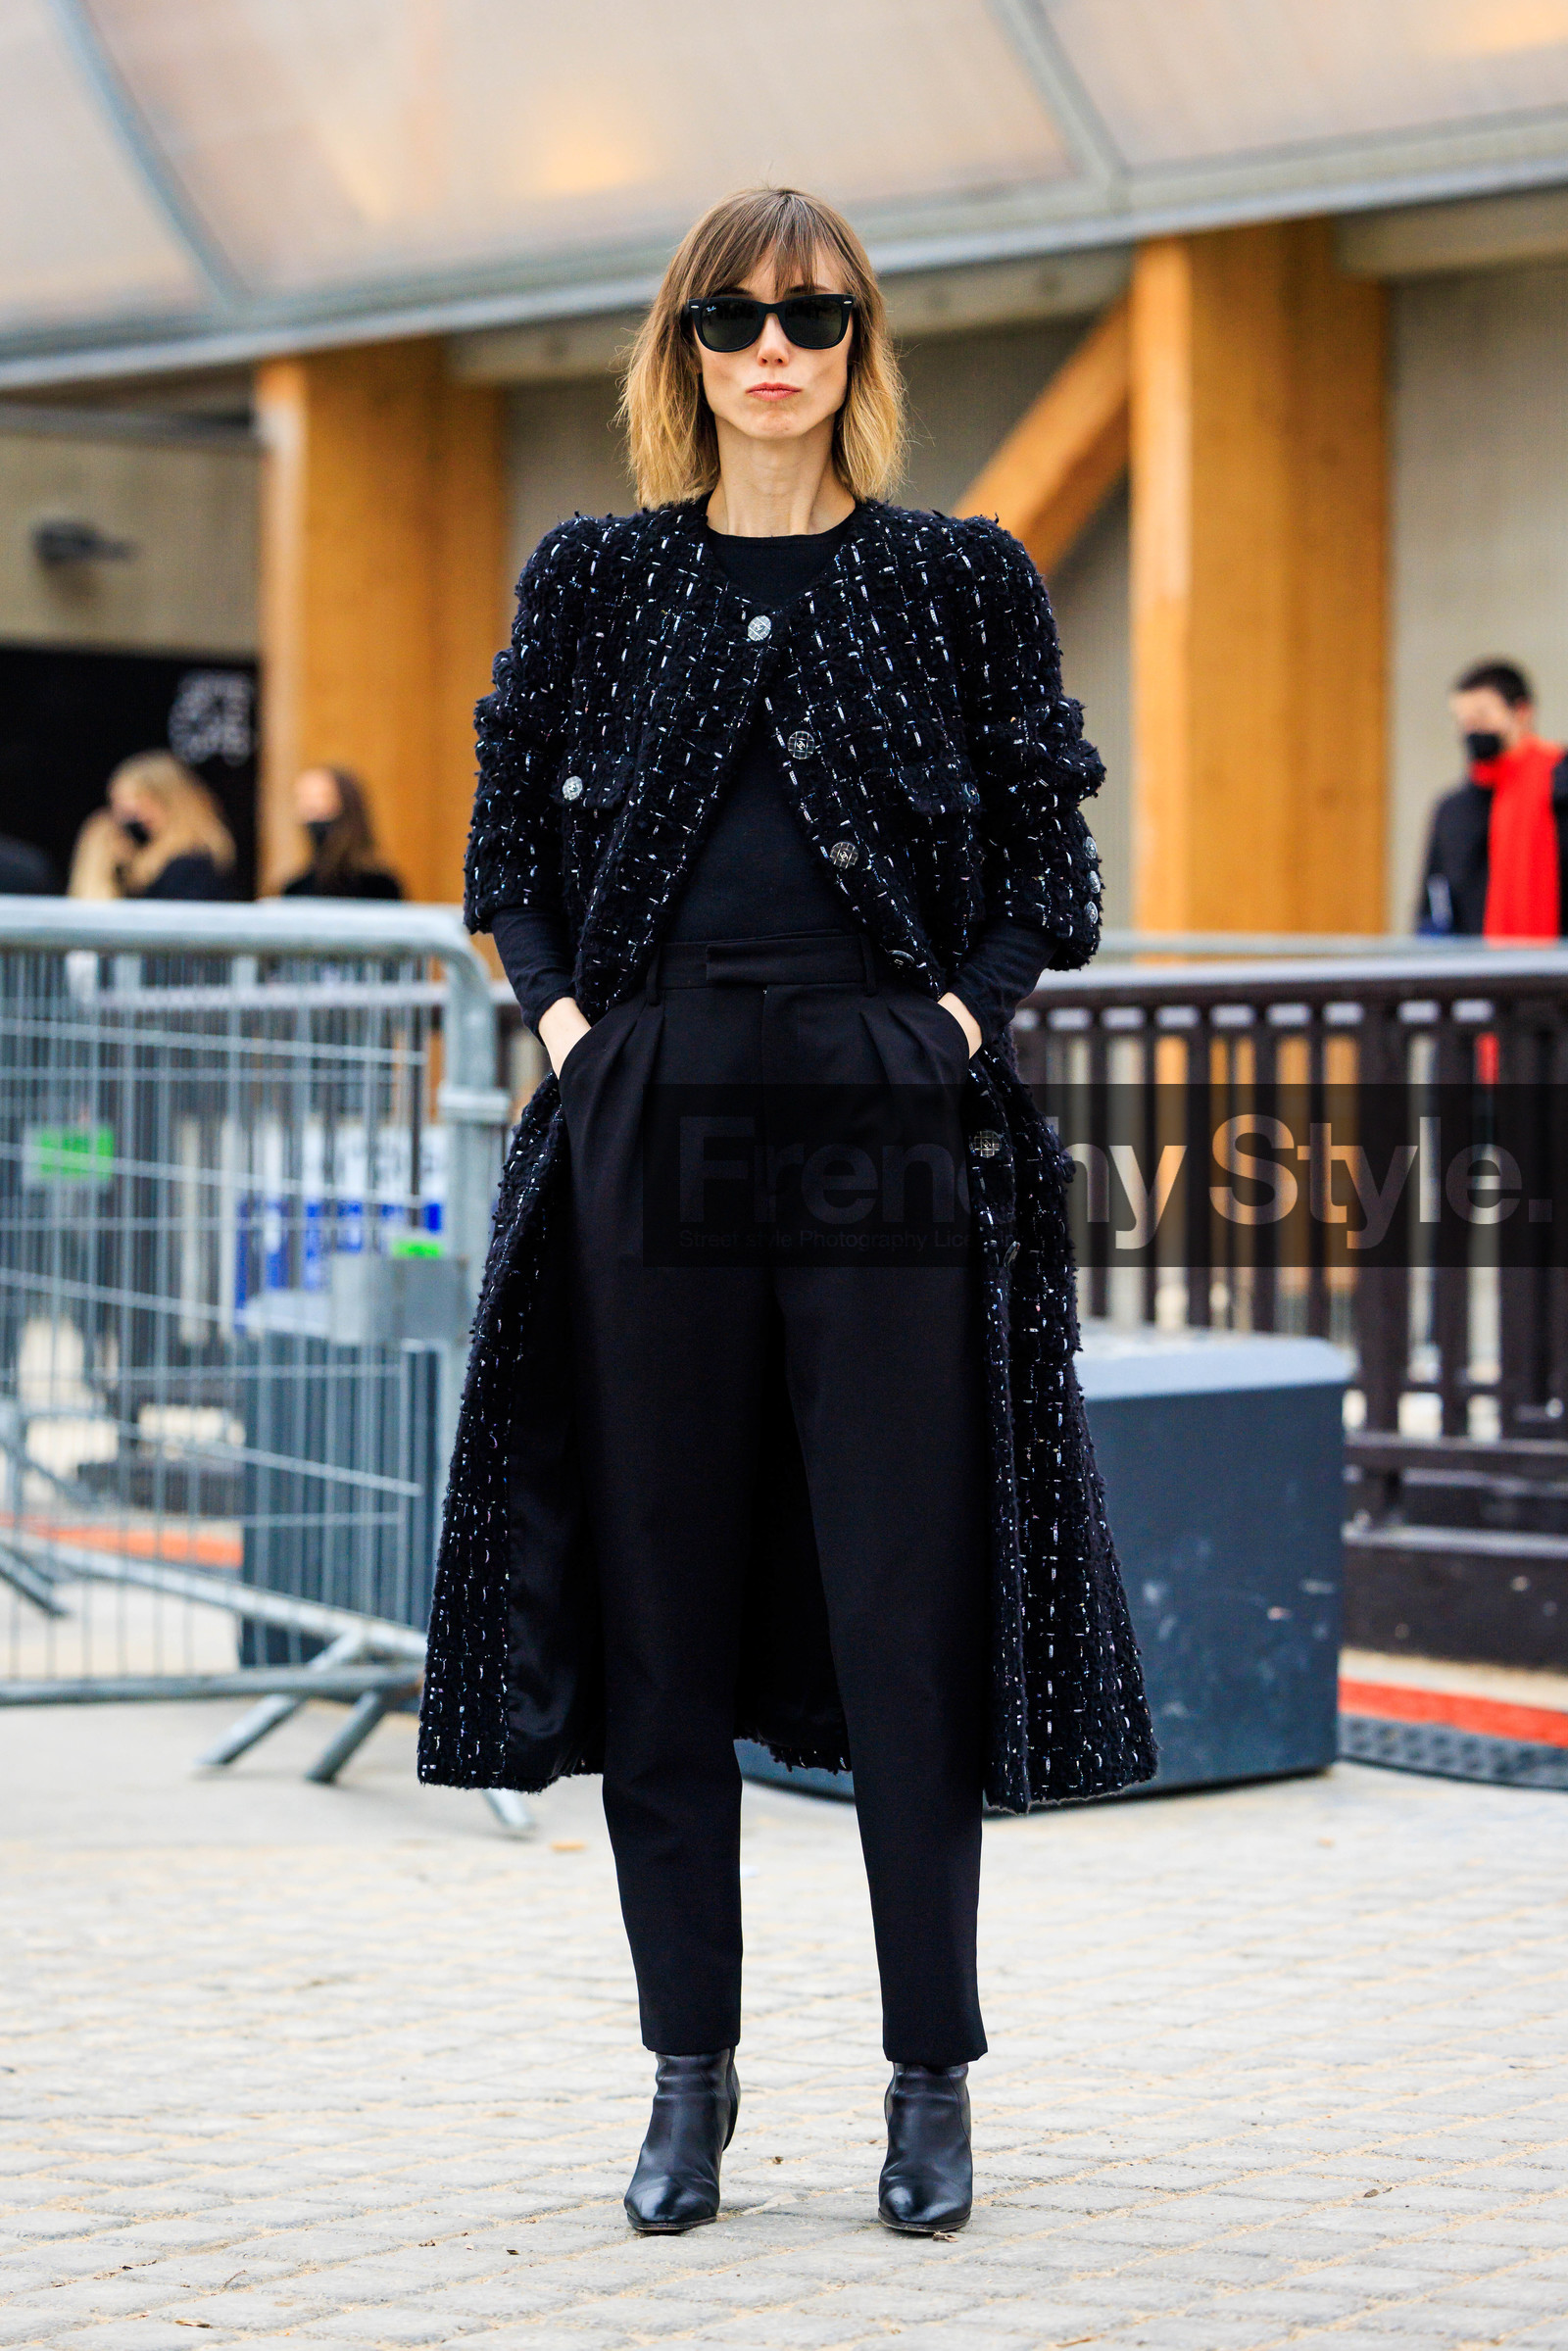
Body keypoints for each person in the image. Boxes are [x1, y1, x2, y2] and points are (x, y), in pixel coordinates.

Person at [417, 186, 1155, 2239]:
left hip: (876, 1115)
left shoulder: (954, 579)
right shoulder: (593, 581)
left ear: (857, 348)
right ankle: (687, 2076)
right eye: (735, 314)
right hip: (647, 1108)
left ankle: (929, 2075)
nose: (774, 346)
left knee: (901, 1595)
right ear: (681, 348)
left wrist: (942, 1024)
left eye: (812, 316)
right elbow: (504, 834)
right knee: (659, 1605)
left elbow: (1043, 861)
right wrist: (570, 1023)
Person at [1416, 661, 1567, 937]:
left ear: (1521, 713)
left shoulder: (1561, 787)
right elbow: (1435, 902)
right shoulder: (1453, 810)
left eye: (1481, 717)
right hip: (1478, 972)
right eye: (1463, 721)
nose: (1471, 730)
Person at [99, 752, 237, 902]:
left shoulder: (190, 865)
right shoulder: (149, 862)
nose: (129, 821)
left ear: (168, 800)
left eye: (137, 806)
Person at [279, 765, 403, 900]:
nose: (310, 808)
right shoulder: (296, 888)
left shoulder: (380, 885)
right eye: (302, 798)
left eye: (322, 797)